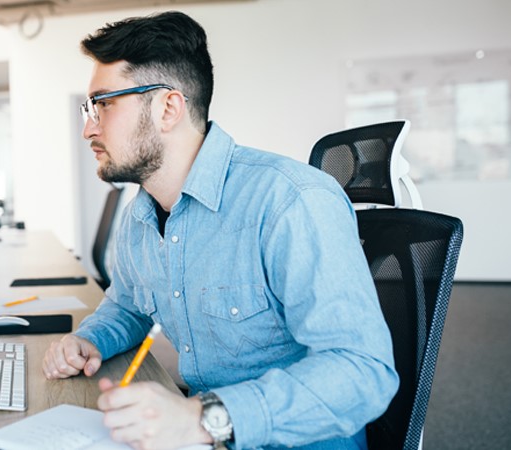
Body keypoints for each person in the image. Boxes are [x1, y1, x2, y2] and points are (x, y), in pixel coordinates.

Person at [42, 11, 398, 450]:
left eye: (104, 104)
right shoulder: (142, 215)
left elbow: (364, 372)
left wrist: (202, 419)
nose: (87, 127)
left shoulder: (290, 201)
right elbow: (129, 305)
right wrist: (90, 339)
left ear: (168, 108)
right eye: (88, 107)